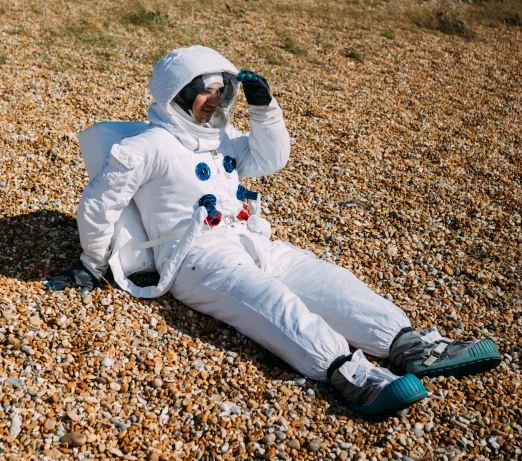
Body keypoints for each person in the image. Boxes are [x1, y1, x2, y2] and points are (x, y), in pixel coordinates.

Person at [47, 46, 501, 417]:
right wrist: (91, 263)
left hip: (252, 241)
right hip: (197, 258)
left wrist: (264, 110)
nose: (217, 100)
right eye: (205, 91)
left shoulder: (220, 140)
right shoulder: (149, 146)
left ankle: (409, 344)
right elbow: (101, 202)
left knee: (327, 280)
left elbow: (270, 158)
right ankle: (351, 374)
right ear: (176, 95)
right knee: (272, 305)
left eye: (222, 91)